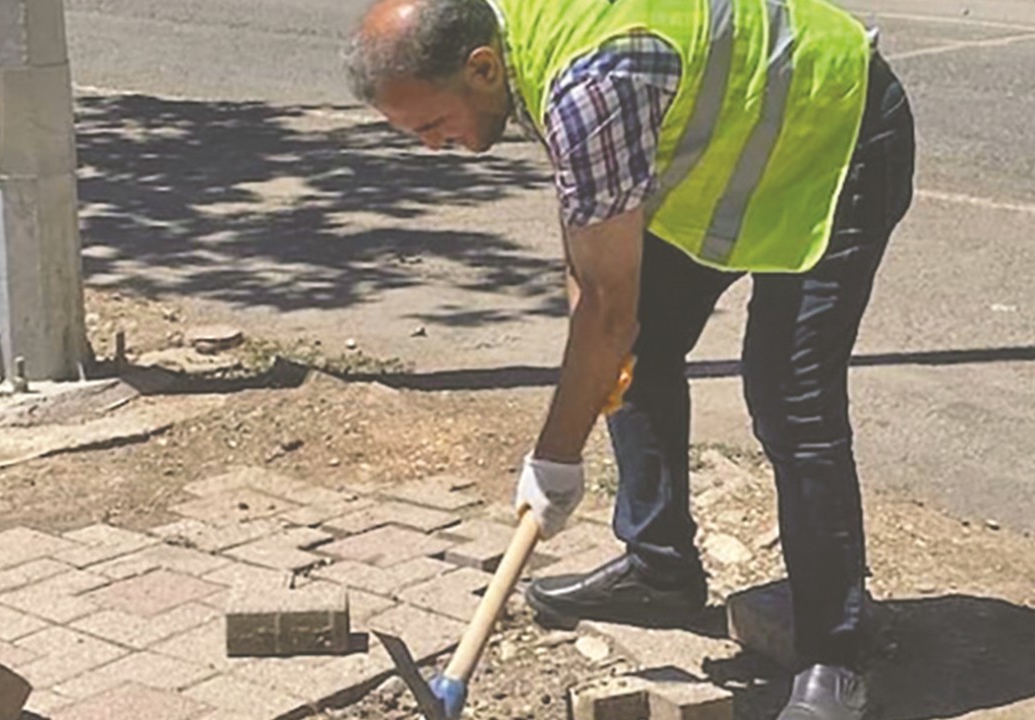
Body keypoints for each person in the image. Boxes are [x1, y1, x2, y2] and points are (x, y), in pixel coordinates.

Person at [343, 0, 915, 717]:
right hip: (741, 148)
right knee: (633, 350)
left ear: (481, 68)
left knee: (788, 394)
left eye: (432, 125)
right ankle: (660, 568)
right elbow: (591, 249)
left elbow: (608, 306)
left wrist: (556, 457)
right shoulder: (516, 42)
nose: (433, 147)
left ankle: (835, 651)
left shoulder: (591, 81)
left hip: (837, 132)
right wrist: (591, 323)